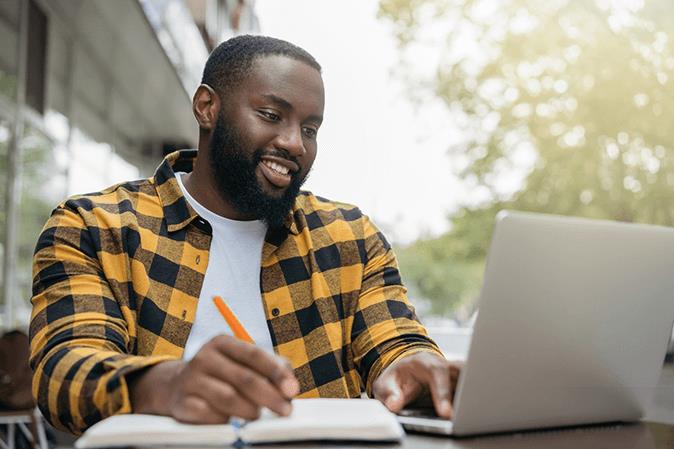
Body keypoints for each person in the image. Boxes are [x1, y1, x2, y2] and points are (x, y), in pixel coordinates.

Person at [29, 35, 460, 435]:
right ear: (206, 107)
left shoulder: (350, 237)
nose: (295, 144)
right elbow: (63, 372)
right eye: (271, 115)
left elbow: (396, 339)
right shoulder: (94, 227)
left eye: (310, 129)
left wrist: (412, 366)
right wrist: (165, 385)